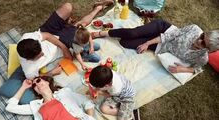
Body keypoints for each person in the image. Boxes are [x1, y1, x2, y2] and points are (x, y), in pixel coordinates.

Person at [0, 1, 114, 103]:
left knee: (67, 7)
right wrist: (52, 72)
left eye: (41, 51)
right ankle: (98, 8)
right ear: (29, 59)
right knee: (80, 26)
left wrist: (64, 48)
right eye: (39, 56)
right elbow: (37, 79)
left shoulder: (27, 38)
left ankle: (68, 23)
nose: (43, 54)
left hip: (50, 33)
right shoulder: (29, 69)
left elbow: (47, 35)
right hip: (60, 41)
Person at [91, 19, 219, 73]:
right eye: (203, 35)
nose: (199, 39)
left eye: (203, 43)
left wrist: (183, 69)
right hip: (163, 30)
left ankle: (143, 27)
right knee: (132, 33)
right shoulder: (194, 29)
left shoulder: (202, 58)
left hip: (160, 47)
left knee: (125, 42)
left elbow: (197, 69)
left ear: (207, 49)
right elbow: (169, 36)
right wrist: (147, 43)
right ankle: (100, 33)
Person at [6, 76, 97, 120]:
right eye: (34, 86)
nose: (36, 84)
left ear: (47, 82)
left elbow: (87, 103)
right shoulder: (36, 106)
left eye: (38, 80)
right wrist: (24, 87)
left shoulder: (64, 93)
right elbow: (10, 107)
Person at [88, 66, 158, 120]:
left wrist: (98, 92)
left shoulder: (115, 88)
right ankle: (128, 112)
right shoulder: (108, 73)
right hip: (119, 93)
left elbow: (109, 95)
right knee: (103, 108)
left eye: (98, 86)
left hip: (126, 98)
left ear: (107, 85)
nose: (96, 87)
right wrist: (96, 89)